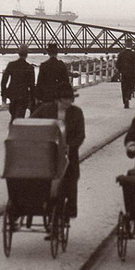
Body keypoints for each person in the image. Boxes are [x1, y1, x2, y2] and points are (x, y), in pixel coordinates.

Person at [31, 83, 85, 219]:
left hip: (68, 154)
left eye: (71, 99)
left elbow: (80, 134)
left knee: (69, 181)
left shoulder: (76, 113)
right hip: (47, 153)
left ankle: (69, 210)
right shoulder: (45, 109)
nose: (69, 102)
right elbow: (32, 123)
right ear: (58, 99)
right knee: (45, 182)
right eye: (65, 99)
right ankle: (47, 209)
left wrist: (70, 146)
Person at [0, 46, 37, 120]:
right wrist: (33, 99)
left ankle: (12, 127)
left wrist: (4, 94)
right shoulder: (29, 67)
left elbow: (4, 81)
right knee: (20, 116)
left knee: (13, 114)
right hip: (23, 95)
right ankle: (16, 128)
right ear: (27, 54)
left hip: (12, 94)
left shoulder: (11, 65)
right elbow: (32, 85)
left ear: (18, 54)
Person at [116, 44, 135, 108]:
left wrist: (120, 71)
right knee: (130, 86)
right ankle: (128, 96)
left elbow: (117, 65)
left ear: (125, 45)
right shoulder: (133, 54)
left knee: (124, 87)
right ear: (131, 45)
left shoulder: (121, 54)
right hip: (131, 73)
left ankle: (125, 100)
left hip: (123, 74)